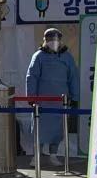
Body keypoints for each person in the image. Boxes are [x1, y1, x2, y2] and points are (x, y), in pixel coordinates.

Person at [26, 28, 79, 168]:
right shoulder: (38, 56)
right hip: (42, 101)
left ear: (60, 40)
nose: (53, 42)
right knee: (39, 129)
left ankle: (53, 155)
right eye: (50, 40)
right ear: (45, 40)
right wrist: (31, 98)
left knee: (58, 130)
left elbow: (73, 77)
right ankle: (36, 155)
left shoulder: (67, 57)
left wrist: (75, 97)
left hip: (61, 101)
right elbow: (31, 77)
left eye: (55, 39)